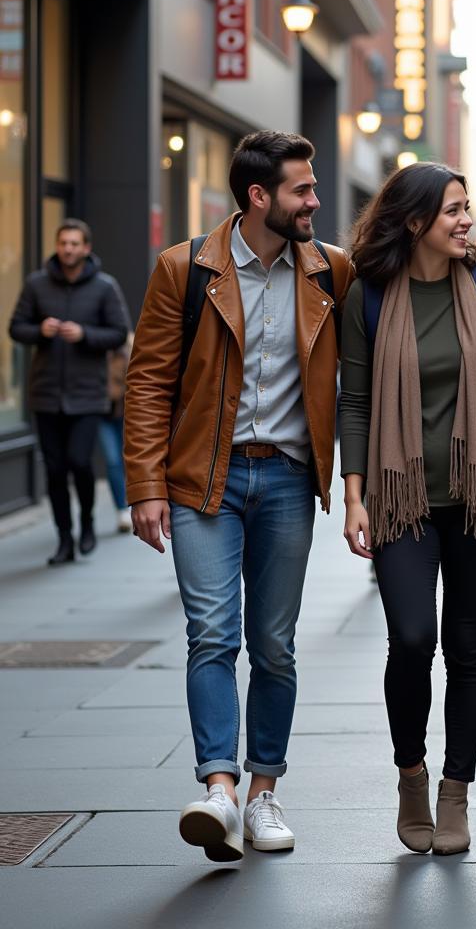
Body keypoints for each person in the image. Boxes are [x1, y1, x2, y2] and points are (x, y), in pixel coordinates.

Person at [124, 131, 353, 861]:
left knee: (275, 646)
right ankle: (218, 790)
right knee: (212, 636)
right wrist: (146, 486)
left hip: (287, 478)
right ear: (260, 198)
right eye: (302, 190)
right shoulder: (183, 269)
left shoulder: (330, 272)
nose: (315, 201)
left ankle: (263, 794)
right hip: (203, 479)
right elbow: (150, 380)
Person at [340, 162, 476, 857]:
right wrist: (353, 495)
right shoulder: (371, 295)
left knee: (469, 649)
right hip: (399, 496)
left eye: (468, 208)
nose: (466, 220)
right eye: (453, 210)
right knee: (413, 640)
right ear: (415, 222)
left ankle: (455, 792)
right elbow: (354, 399)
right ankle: (411, 773)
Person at [9, 219, 130, 564]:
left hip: (88, 394)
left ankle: (88, 523)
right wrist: (40, 330)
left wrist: (85, 335)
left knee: (79, 462)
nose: (68, 249)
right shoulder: (36, 284)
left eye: (75, 243)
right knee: (55, 469)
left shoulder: (105, 287)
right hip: (45, 393)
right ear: (57, 245)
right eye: (63, 243)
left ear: (86, 248)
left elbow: (119, 333)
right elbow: (16, 328)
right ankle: (65, 538)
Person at [98, 336, 133, 533]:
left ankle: (134, 501)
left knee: (129, 460)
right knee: (112, 461)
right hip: (103, 415)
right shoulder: (95, 353)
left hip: (126, 414)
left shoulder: (127, 350)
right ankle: (121, 509)